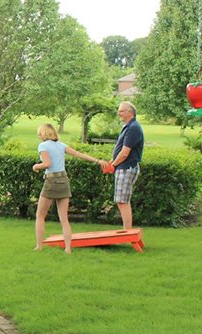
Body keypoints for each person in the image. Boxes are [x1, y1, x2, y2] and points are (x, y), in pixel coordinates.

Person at [33, 123, 105, 252]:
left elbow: (47, 164)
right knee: (64, 218)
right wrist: (98, 161)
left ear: (43, 134)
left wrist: (36, 166)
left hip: (51, 181)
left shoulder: (43, 146)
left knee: (40, 215)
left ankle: (39, 246)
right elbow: (78, 154)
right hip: (64, 180)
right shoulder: (61, 145)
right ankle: (68, 249)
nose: (39, 136)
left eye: (40, 133)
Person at [107, 101, 145, 229]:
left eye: (121, 111)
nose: (119, 113)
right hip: (122, 167)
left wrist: (113, 164)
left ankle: (127, 231)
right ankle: (126, 230)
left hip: (127, 167)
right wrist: (113, 162)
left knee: (122, 201)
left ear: (130, 112)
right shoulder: (129, 126)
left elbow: (125, 152)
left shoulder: (133, 128)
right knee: (121, 200)